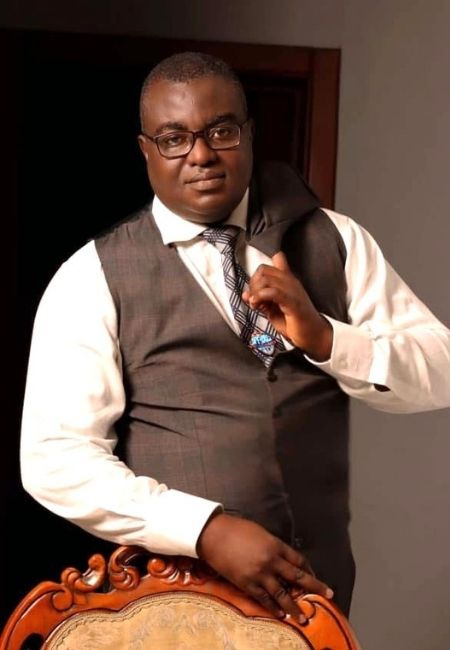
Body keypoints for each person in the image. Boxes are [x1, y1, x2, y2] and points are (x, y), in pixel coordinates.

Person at [20, 51, 450, 620]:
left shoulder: (336, 240)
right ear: (146, 150)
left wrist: (327, 338)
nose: (200, 155)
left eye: (220, 132)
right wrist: (204, 530)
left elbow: (442, 370)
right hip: (175, 611)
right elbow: (55, 458)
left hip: (319, 607)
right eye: (174, 139)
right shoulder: (92, 276)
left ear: (249, 133)